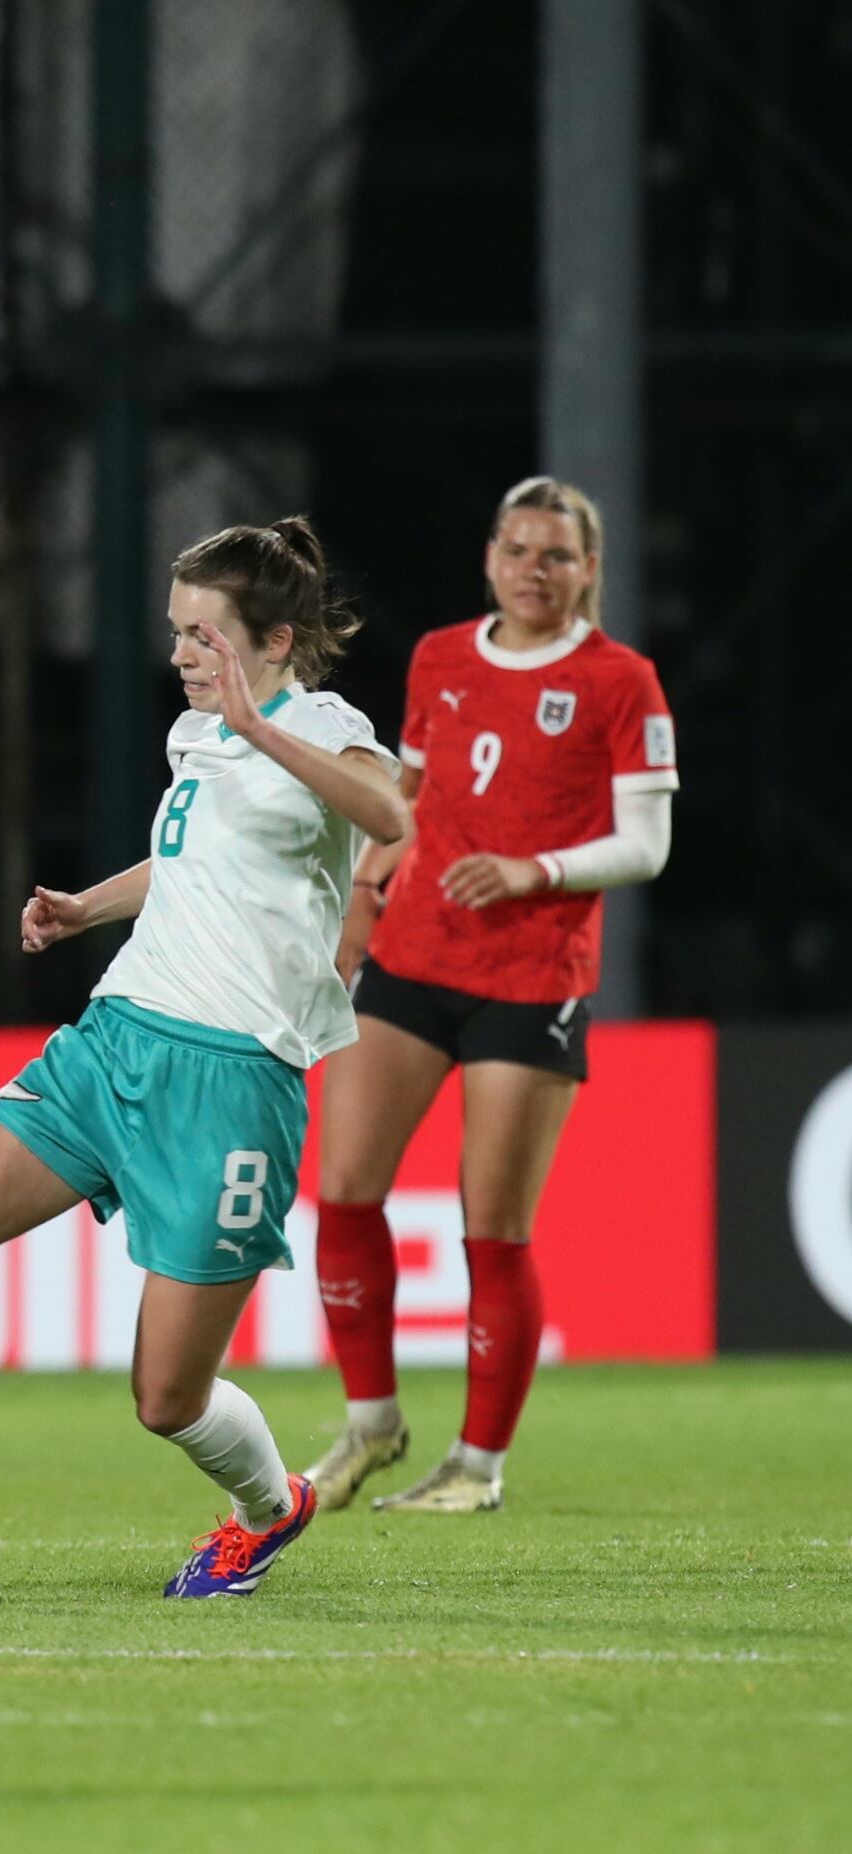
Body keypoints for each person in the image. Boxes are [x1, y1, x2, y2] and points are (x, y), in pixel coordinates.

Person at [0, 516, 410, 1603]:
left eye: (204, 635)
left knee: (166, 1397)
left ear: (275, 642)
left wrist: (262, 727)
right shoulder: (196, 735)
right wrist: (85, 909)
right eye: (177, 633)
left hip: (233, 1083)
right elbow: (189, 864)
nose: (183, 656)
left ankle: (270, 1508)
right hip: (111, 1047)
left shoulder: (324, 725)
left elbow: (390, 812)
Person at [309, 477, 678, 1514]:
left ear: (589, 569)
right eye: (518, 550)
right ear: (490, 558)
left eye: (556, 556)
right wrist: (361, 905)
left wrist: (535, 873)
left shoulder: (621, 682)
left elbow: (648, 845)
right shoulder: (439, 657)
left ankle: (476, 1466)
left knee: (493, 1227)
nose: (534, 571)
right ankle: (371, 1423)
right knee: (343, 1190)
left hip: (530, 979)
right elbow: (410, 802)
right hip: (414, 959)